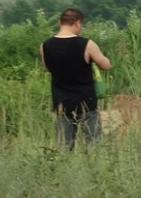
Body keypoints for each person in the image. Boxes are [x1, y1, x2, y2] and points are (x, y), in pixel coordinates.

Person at [40, 8, 112, 149]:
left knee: (64, 148)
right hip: (86, 101)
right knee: (94, 146)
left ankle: (65, 169)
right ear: (78, 23)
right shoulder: (87, 44)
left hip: (61, 102)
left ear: (59, 22)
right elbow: (106, 65)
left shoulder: (45, 46)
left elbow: (48, 68)